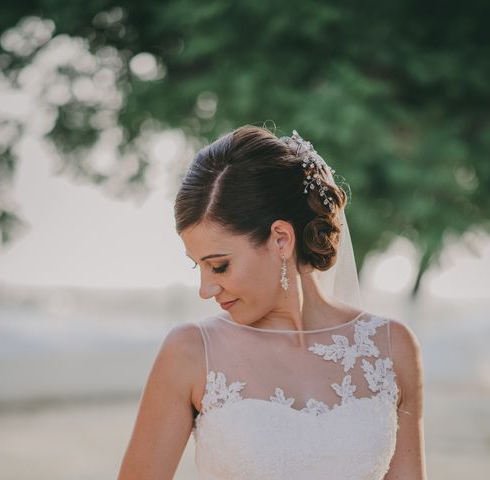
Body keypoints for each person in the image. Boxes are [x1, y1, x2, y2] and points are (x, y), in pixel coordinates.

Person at [117, 125, 427, 479]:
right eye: (198, 266)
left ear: (281, 239)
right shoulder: (191, 352)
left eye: (219, 266)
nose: (205, 289)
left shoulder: (391, 348)